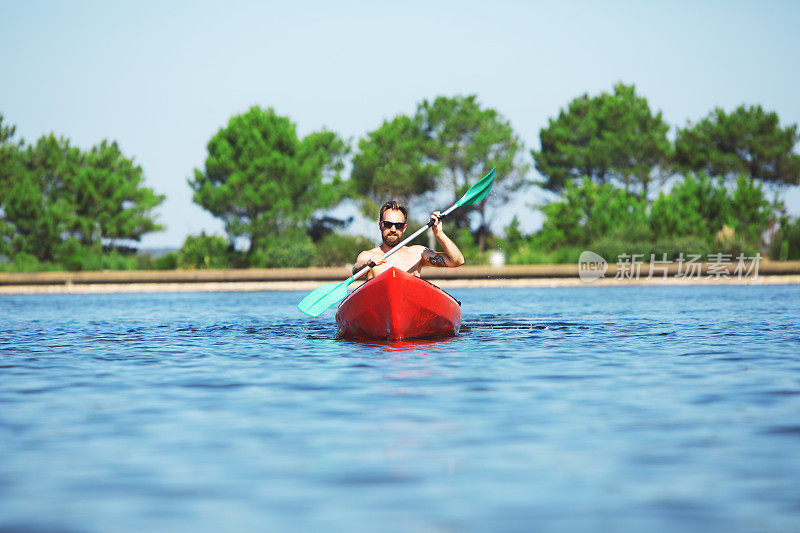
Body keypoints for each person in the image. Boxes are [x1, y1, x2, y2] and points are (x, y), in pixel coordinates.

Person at [351, 200, 465, 279]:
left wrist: (439, 233)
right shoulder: (368, 256)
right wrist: (368, 262)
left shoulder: (417, 253)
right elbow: (356, 270)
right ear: (380, 225)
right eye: (388, 224)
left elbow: (457, 261)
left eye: (399, 225)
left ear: (404, 228)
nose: (393, 229)